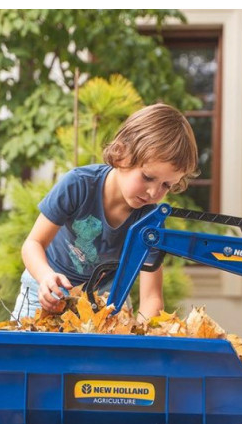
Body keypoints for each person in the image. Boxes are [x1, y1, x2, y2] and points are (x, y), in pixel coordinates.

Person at [13, 103, 198, 320]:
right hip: (47, 291)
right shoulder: (78, 185)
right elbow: (33, 244)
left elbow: (151, 298)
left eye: (167, 185)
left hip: (106, 303)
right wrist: (45, 277)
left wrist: (143, 339)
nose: (153, 192)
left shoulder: (151, 221)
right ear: (121, 154)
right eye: (148, 177)